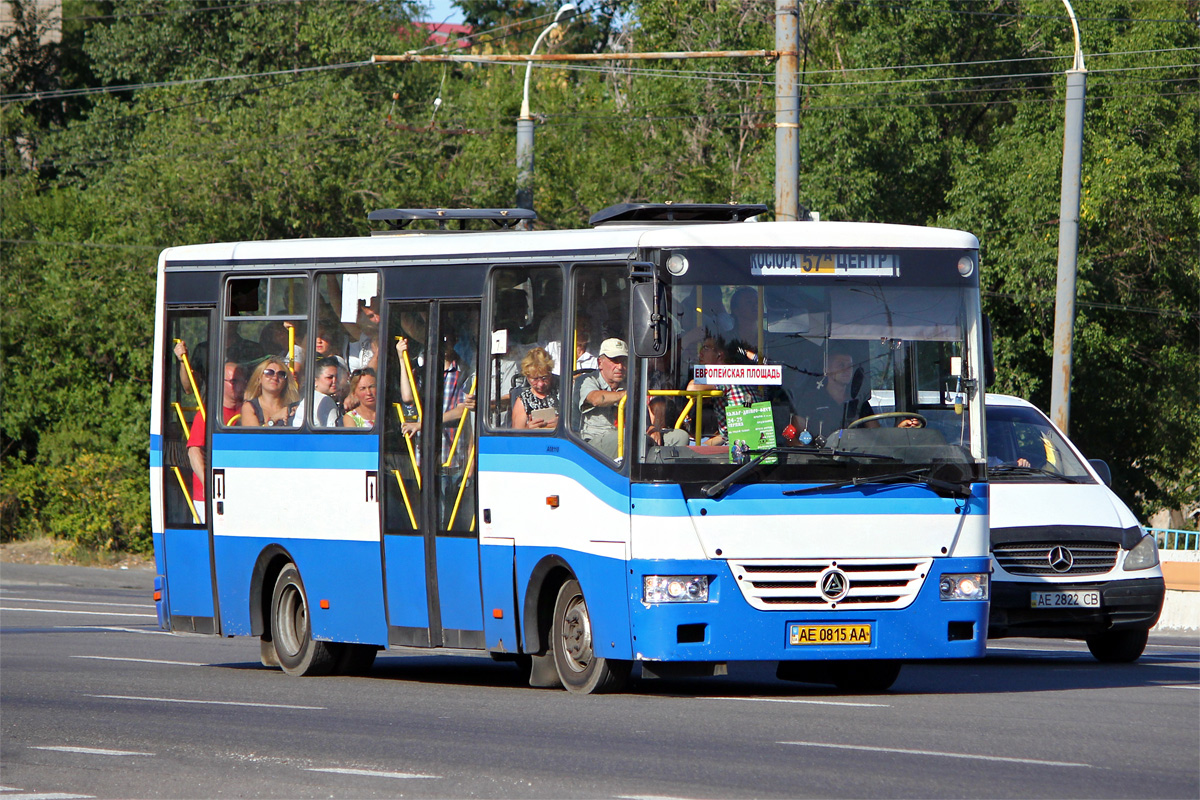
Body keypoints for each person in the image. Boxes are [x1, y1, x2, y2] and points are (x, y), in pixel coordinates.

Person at [579, 338, 686, 459]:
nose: (620, 366)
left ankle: (661, 473)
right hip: (594, 443)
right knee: (631, 437)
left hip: (629, 437)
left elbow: (644, 420)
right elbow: (595, 399)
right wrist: (626, 394)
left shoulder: (630, 383)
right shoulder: (588, 380)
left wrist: (651, 429)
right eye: (614, 360)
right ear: (600, 363)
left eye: (623, 361)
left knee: (679, 437)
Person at [181, 361, 245, 522]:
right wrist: (207, 484)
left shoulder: (249, 410)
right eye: (233, 381)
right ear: (221, 384)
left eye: (240, 380)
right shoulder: (207, 413)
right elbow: (194, 450)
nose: (238, 385)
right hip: (211, 494)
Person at [686, 335, 769, 445]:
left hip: (740, 444)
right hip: (752, 438)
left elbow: (692, 389)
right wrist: (705, 446)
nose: (700, 353)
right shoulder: (741, 375)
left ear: (719, 355)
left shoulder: (724, 375)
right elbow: (727, 434)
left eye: (706, 348)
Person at [793, 349, 877, 445]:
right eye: (841, 365)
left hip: (855, 456)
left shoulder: (859, 401)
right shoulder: (810, 400)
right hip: (817, 458)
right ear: (827, 369)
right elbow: (795, 439)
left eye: (850, 366)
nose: (847, 370)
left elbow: (877, 435)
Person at [240, 357, 301, 427]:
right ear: (259, 379)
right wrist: (274, 419)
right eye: (269, 373)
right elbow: (254, 437)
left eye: (281, 374)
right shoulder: (249, 407)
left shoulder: (294, 407)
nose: (275, 377)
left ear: (285, 382)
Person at [512, 347, 559, 430]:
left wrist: (563, 425)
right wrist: (528, 430)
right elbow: (516, 437)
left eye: (544, 378)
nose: (541, 384)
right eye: (535, 379)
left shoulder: (563, 393)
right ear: (527, 377)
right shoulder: (523, 401)